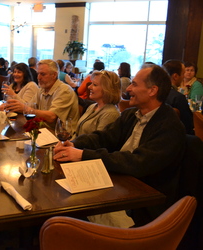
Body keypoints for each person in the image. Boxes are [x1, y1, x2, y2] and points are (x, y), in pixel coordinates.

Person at [54, 64, 186, 226]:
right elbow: (103, 137)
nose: (129, 88)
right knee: (60, 198)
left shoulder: (169, 126)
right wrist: (73, 144)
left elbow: (137, 162)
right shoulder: (131, 115)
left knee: (64, 214)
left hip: (141, 206)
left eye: (134, 84)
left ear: (152, 91)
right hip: (118, 185)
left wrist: (82, 154)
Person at [5, 59, 80, 134]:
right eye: (38, 74)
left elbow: (51, 117)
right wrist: (12, 106)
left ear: (54, 75)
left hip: (60, 136)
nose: (38, 77)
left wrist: (25, 109)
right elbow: (30, 105)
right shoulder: (42, 89)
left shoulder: (64, 90)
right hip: (44, 131)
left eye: (43, 74)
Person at [76, 70, 121, 136]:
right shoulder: (92, 106)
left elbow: (98, 143)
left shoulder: (110, 114)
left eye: (94, 85)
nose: (89, 87)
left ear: (107, 89)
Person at [163, 59, 194, 135]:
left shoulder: (154, 93)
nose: (184, 77)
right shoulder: (178, 98)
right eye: (183, 73)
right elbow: (188, 125)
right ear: (175, 76)